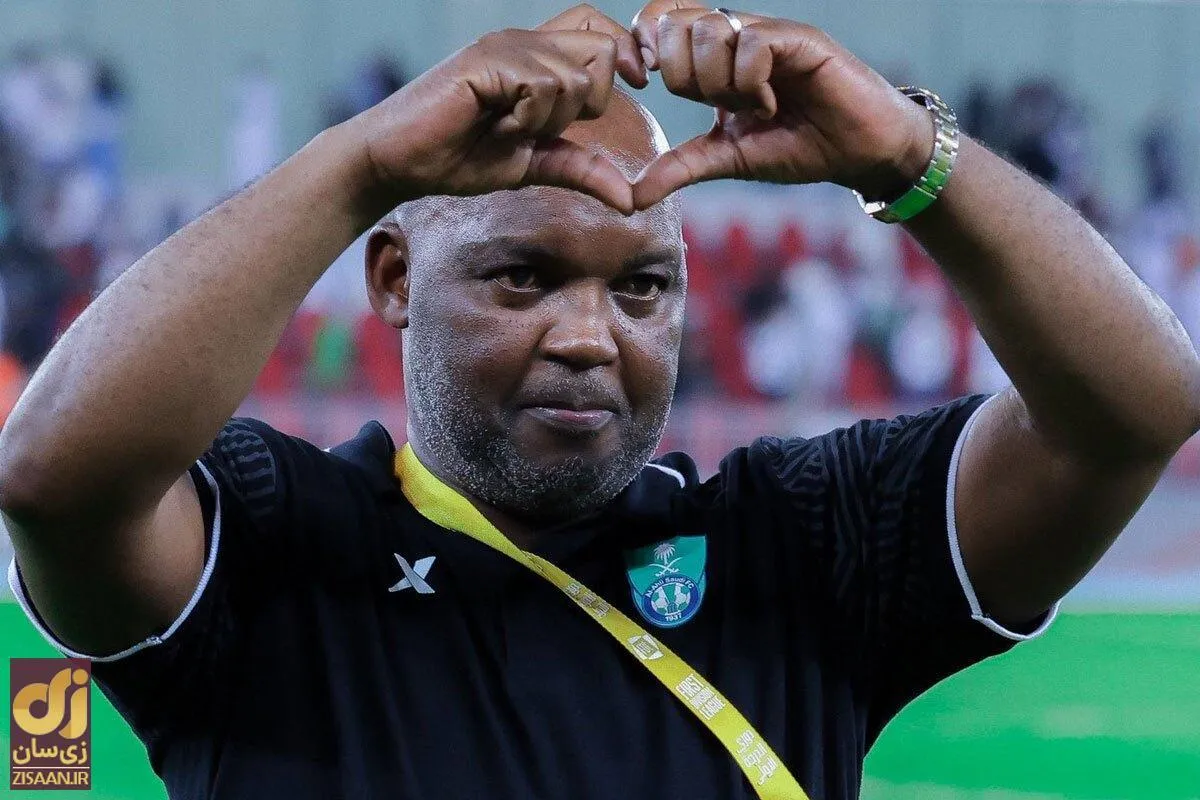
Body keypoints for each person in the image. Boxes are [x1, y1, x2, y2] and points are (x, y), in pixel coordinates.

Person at [3, 3, 1198, 798]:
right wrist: (362, 163)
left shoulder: (797, 548)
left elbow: (1135, 410)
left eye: (641, 287)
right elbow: (55, 478)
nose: (588, 335)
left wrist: (904, 154)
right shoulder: (275, 543)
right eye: (522, 276)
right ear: (395, 279)